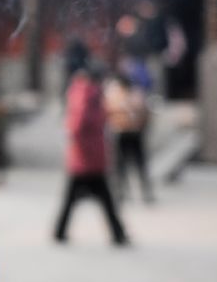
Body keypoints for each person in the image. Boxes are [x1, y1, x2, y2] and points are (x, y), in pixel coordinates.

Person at [54, 65, 129, 246]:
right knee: (103, 198)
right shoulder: (89, 95)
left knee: (76, 199)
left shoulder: (81, 93)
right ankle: (118, 234)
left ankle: (60, 232)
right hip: (89, 157)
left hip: (84, 156)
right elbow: (80, 125)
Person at [105, 74, 154, 202]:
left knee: (137, 164)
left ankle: (143, 191)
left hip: (132, 133)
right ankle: (123, 192)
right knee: (123, 165)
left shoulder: (131, 94)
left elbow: (146, 113)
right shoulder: (117, 94)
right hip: (123, 132)